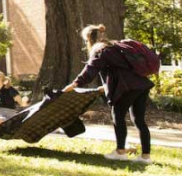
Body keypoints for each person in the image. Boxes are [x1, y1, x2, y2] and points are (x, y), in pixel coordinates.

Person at [63, 24, 155, 164]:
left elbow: (90, 70)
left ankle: (120, 152)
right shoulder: (115, 46)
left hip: (126, 87)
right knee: (139, 120)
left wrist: (75, 84)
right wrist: (104, 86)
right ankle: (145, 157)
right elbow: (120, 70)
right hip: (141, 85)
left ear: (88, 39)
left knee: (117, 116)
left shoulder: (100, 50)